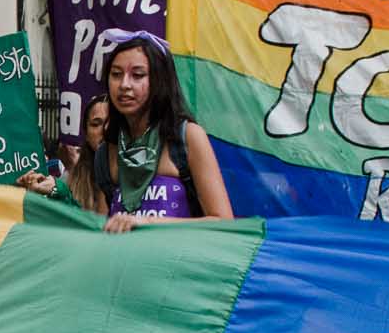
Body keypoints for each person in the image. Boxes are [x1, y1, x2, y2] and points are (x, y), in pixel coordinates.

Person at [22, 32, 233, 228]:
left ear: (159, 81)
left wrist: (147, 224)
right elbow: (102, 228)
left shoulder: (187, 136)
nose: (124, 84)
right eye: (116, 74)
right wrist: (56, 192)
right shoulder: (106, 152)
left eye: (138, 75)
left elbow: (222, 222)